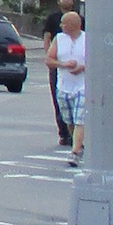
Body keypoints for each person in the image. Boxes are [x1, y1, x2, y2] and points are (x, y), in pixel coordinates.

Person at [52, 4, 87, 160]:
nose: (61, 26)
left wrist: (83, 67)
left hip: (83, 85)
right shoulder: (59, 39)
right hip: (64, 86)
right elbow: (49, 60)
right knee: (69, 119)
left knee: (80, 117)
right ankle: (78, 142)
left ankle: (75, 151)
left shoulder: (87, 39)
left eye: (64, 23)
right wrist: (63, 64)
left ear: (73, 25)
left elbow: (98, 60)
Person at [44, 8, 71, 146]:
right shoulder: (58, 37)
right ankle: (64, 133)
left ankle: (74, 134)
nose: (62, 26)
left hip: (75, 72)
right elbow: (47, 38)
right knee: (59, 99)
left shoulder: (82, 36)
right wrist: (51, 58)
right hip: (58, 68)